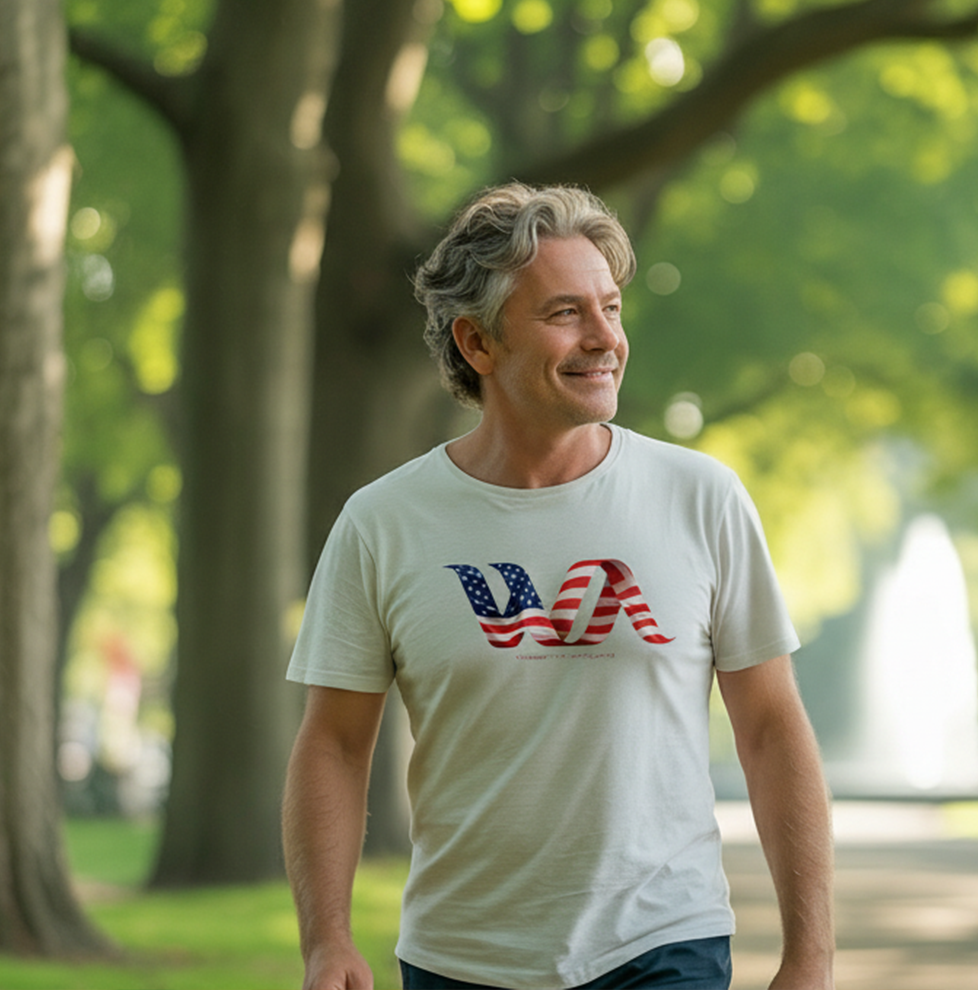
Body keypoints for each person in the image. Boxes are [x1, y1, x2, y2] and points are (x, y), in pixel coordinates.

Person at [283, 183, 835, 990]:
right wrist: (326, 938)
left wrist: (810, 957)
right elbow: (333, 743)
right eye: (566, 314)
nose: (605, 338)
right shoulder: (383, 523)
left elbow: (771, 727)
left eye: (610, 308)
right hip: (459, 958)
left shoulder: (700, 497)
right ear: (477, 343)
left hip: (662, 944)